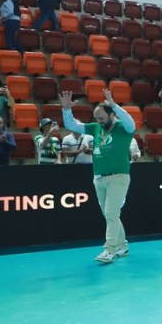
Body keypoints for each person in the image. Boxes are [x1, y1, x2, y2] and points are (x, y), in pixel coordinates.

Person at [60, 89, 137, 264]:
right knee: (109, 214)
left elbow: (130, 121)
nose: (98, 121)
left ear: (112, 115)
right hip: (98, 177)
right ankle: (122, 246)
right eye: (96, 118)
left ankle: (109, 250)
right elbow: (72, 125)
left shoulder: (124, 128)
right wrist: (66, 109)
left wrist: (114, 105)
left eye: (101, 118)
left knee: (111, 213)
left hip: (118, 176)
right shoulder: (95, 128)